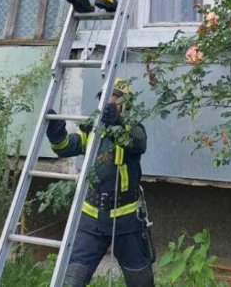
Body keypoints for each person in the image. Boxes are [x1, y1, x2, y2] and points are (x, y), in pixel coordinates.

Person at [46, 79, 154, 287]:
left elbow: (139, 141)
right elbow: (68, 147)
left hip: (126, 221)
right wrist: (56, 134)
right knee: (71, 280)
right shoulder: (93, 129)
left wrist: (119, 121)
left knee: (141, 281)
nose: (108, 104)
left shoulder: (131, 128)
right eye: (105, 98)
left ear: (125, 103)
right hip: (91, 220)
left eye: (114, 98)